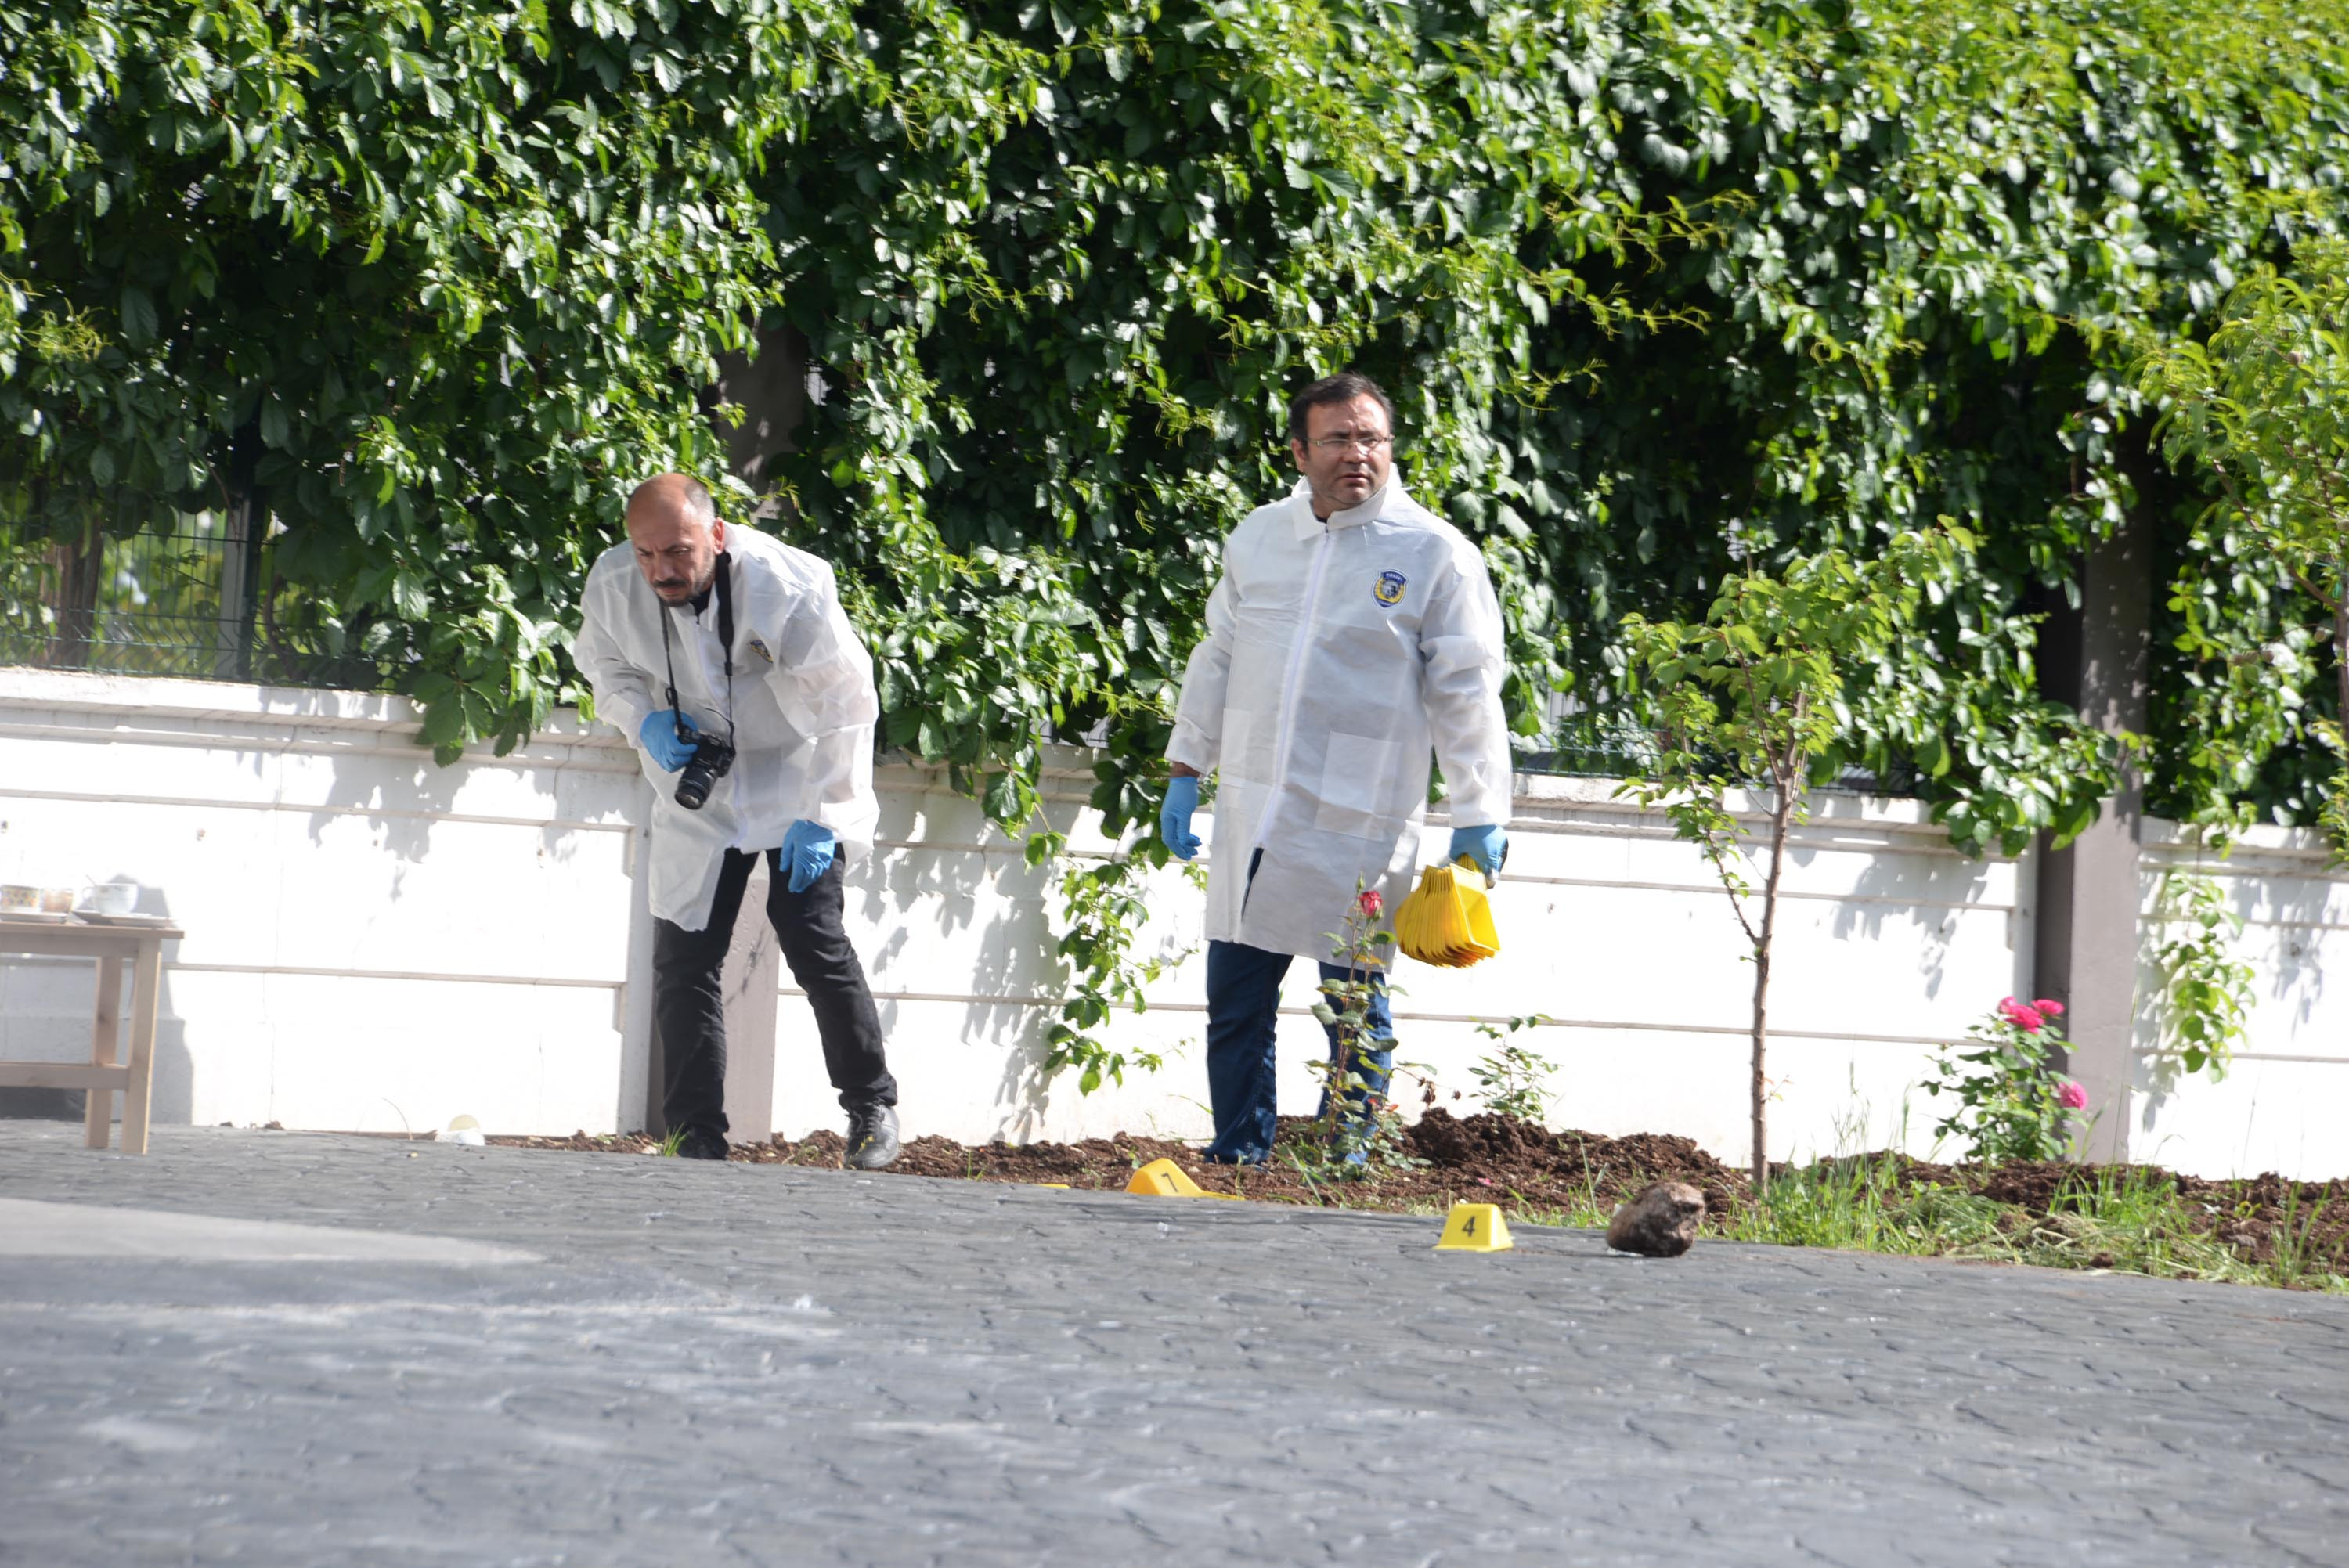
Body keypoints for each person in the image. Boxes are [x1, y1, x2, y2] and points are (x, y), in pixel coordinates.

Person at [1159, 373, 1514, 1164]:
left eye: (1372, 438)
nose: (1358, 454)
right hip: (1256, 808)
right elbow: (1218, 653)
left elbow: (1466, 688)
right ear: (1300, 451)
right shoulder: (1260, 538)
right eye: (1339, 439)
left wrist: (1479, 808)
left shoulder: (1434, 553)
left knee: (1353, 998)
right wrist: (1186, 765)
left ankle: (1348, 1153)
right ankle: (1238, 1150)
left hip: (1359, 814)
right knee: (1236, 999)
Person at [573, 474, 900, 1168]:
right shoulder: (613, 584)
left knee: (812, 937)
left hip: (799, 774)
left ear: (717, 535)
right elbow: (606, 671)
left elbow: (847, 703)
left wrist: (827, 812)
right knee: (683, 957)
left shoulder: (789, 585)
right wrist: (642, 718)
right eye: (646, 553)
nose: (661, 569)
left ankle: (871, 1107)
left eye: (679, 551)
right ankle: (696, 1136)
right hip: (705, 792)